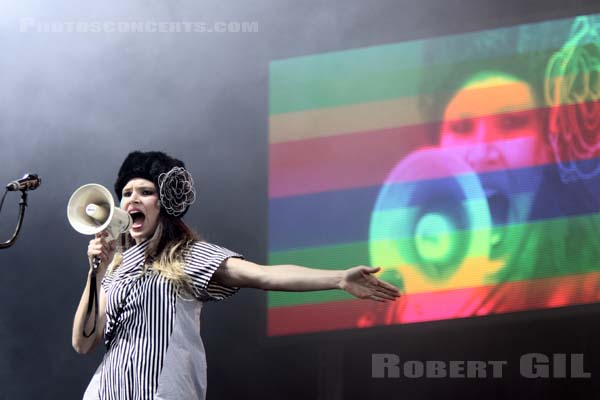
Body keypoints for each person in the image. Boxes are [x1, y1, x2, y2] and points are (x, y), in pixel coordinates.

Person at [72, 151, 400, 400]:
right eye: (127, 193)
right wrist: (96, 272)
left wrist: (339, 278)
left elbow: (264, 275)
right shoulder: (115, 270)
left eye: (144, 192)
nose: (132, 199)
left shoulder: (187, 256)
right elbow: (83, 343)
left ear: (163, 204)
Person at [366, 22, 600, 326]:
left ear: (547, 146)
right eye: (462, 128)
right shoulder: (397, 311)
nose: (482, 152)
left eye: (512, 123)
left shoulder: (587, 286)